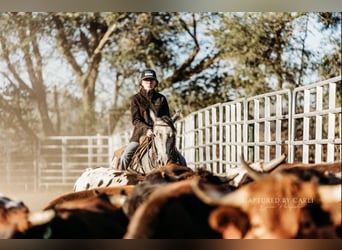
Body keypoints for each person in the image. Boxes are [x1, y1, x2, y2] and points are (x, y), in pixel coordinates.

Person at [120, 69, 186, 170]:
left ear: (155, 83)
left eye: (151, 80)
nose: (149, 82)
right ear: (141, 83)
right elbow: (135, 120)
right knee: (125, 157)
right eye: (146, 80)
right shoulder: (135, 99)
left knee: (182, 160)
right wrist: (147, 129)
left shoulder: (162, 99)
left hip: (161, 136)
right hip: (140, 135)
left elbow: (166, 119)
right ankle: (121, 179)